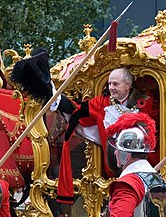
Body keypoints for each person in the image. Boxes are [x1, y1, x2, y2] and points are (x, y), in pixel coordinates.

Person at [57, 67, 157, 204]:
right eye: (109, 84)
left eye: (115, 84)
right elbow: (79, 110)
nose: (111, 88)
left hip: (143, 171)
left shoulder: (147, 102)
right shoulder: (103, 103)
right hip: (111, 174)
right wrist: (55, 98)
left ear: (128, 85)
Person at [95, 112, 166, 217]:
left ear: (126, 154)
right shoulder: (164, 184)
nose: (115, 154)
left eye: (118, 151)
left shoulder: (128, 184)